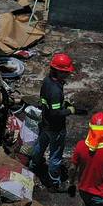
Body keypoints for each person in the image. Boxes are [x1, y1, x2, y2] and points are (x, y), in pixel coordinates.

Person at [33, 52, 77, 189]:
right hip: (55, 128)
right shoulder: (56, 91)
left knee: (40, 146)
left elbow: (44, 102)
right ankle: (54, 182)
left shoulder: (47, 81)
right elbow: (56, 113)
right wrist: (69, 110)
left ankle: (34, 166)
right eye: (66, 72)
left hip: (45, 124)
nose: (68, 74)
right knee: (55, 156)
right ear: (59, 72)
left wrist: (61, 104)